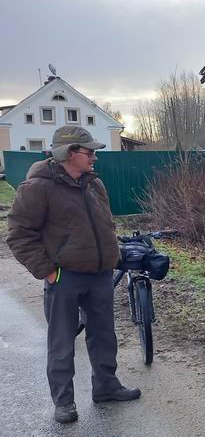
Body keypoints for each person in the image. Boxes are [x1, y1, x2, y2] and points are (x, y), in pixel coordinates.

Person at [6, 126, 140, 424]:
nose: (95, 156)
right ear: (69, 153)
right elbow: (18, 235)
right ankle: (64, 401)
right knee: (62, 342)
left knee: (104, 336)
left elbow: (105, 226)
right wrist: (48, 272)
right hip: (64, 277)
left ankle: (106, 386)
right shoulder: (38, 188)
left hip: (100, 275)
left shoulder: (95, 185)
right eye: (89, 151)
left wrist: (113, 256)